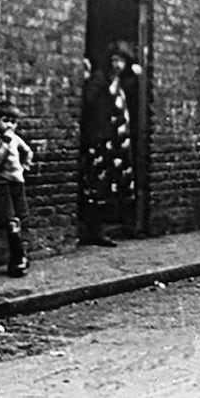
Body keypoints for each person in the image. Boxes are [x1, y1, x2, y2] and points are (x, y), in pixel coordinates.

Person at [79, 40, 139, 247]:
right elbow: (88, 100)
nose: (117, 65)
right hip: (101, 139)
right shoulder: (101, 79)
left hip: (117, 141)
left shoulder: (121, 82)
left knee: (113, 184)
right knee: (97, 185)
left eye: (121, 61)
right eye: (114, 60)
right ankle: (95, 231)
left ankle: (112, 225)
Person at [0, 100, 33, 278]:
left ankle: (22, 255)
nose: (9, 125)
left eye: (13, 122)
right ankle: (17, 259)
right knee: (10, 220)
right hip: (1, 182)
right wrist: (5, 143)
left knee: (22, 217)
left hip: (17, 181)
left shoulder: (15, 137)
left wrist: (25, 166)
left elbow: (28, 151)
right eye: (5, 120)